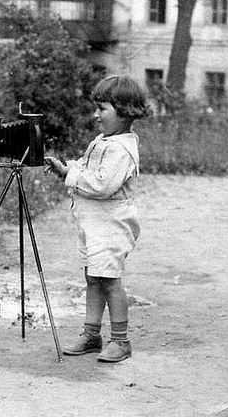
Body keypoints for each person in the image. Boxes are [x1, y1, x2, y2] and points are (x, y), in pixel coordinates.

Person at [43, 75, 149, 363]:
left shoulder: (122, 149)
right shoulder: (105, 141)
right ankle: (92, 334)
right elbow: (90, 170)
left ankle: (121, 340)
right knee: (93, 277)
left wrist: (70, 175)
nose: (96, 115)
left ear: (125, 111)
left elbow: (102, 185)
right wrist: (68, 168)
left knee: (110, 280)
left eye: (102, 109)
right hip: (94, 224)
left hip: (112, 225)